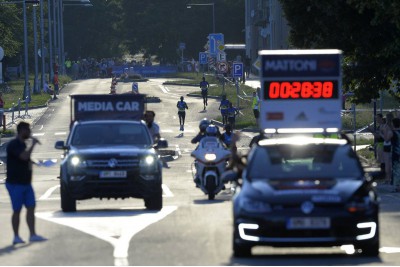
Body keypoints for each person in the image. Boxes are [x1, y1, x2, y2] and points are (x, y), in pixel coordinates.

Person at [5, 121, 47, 245]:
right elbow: (23, 157)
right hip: (15, 183)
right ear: (21, 131)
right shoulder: (14, 144)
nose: (30, 133)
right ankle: (16, 236)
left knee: (31, 207)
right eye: (28, 130)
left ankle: (32, 234)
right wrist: (33, 145)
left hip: (26, 183)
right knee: (17, 209)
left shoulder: (22, 144)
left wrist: (37, 163)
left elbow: (25, 159)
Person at [381, 112, 394, 184]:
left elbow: (386, 138)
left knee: (387, 163)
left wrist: (381, 134)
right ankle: (392, 178)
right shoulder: (393, 126)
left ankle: (387, 179)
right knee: (392, 163)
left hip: (386, 144)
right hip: (393, 145)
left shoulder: (385, 126)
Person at [391, 117, 400, 192]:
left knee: (396, 170)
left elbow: (386, 139)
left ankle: (397, 186)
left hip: (396, 153)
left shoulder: (393, 133)